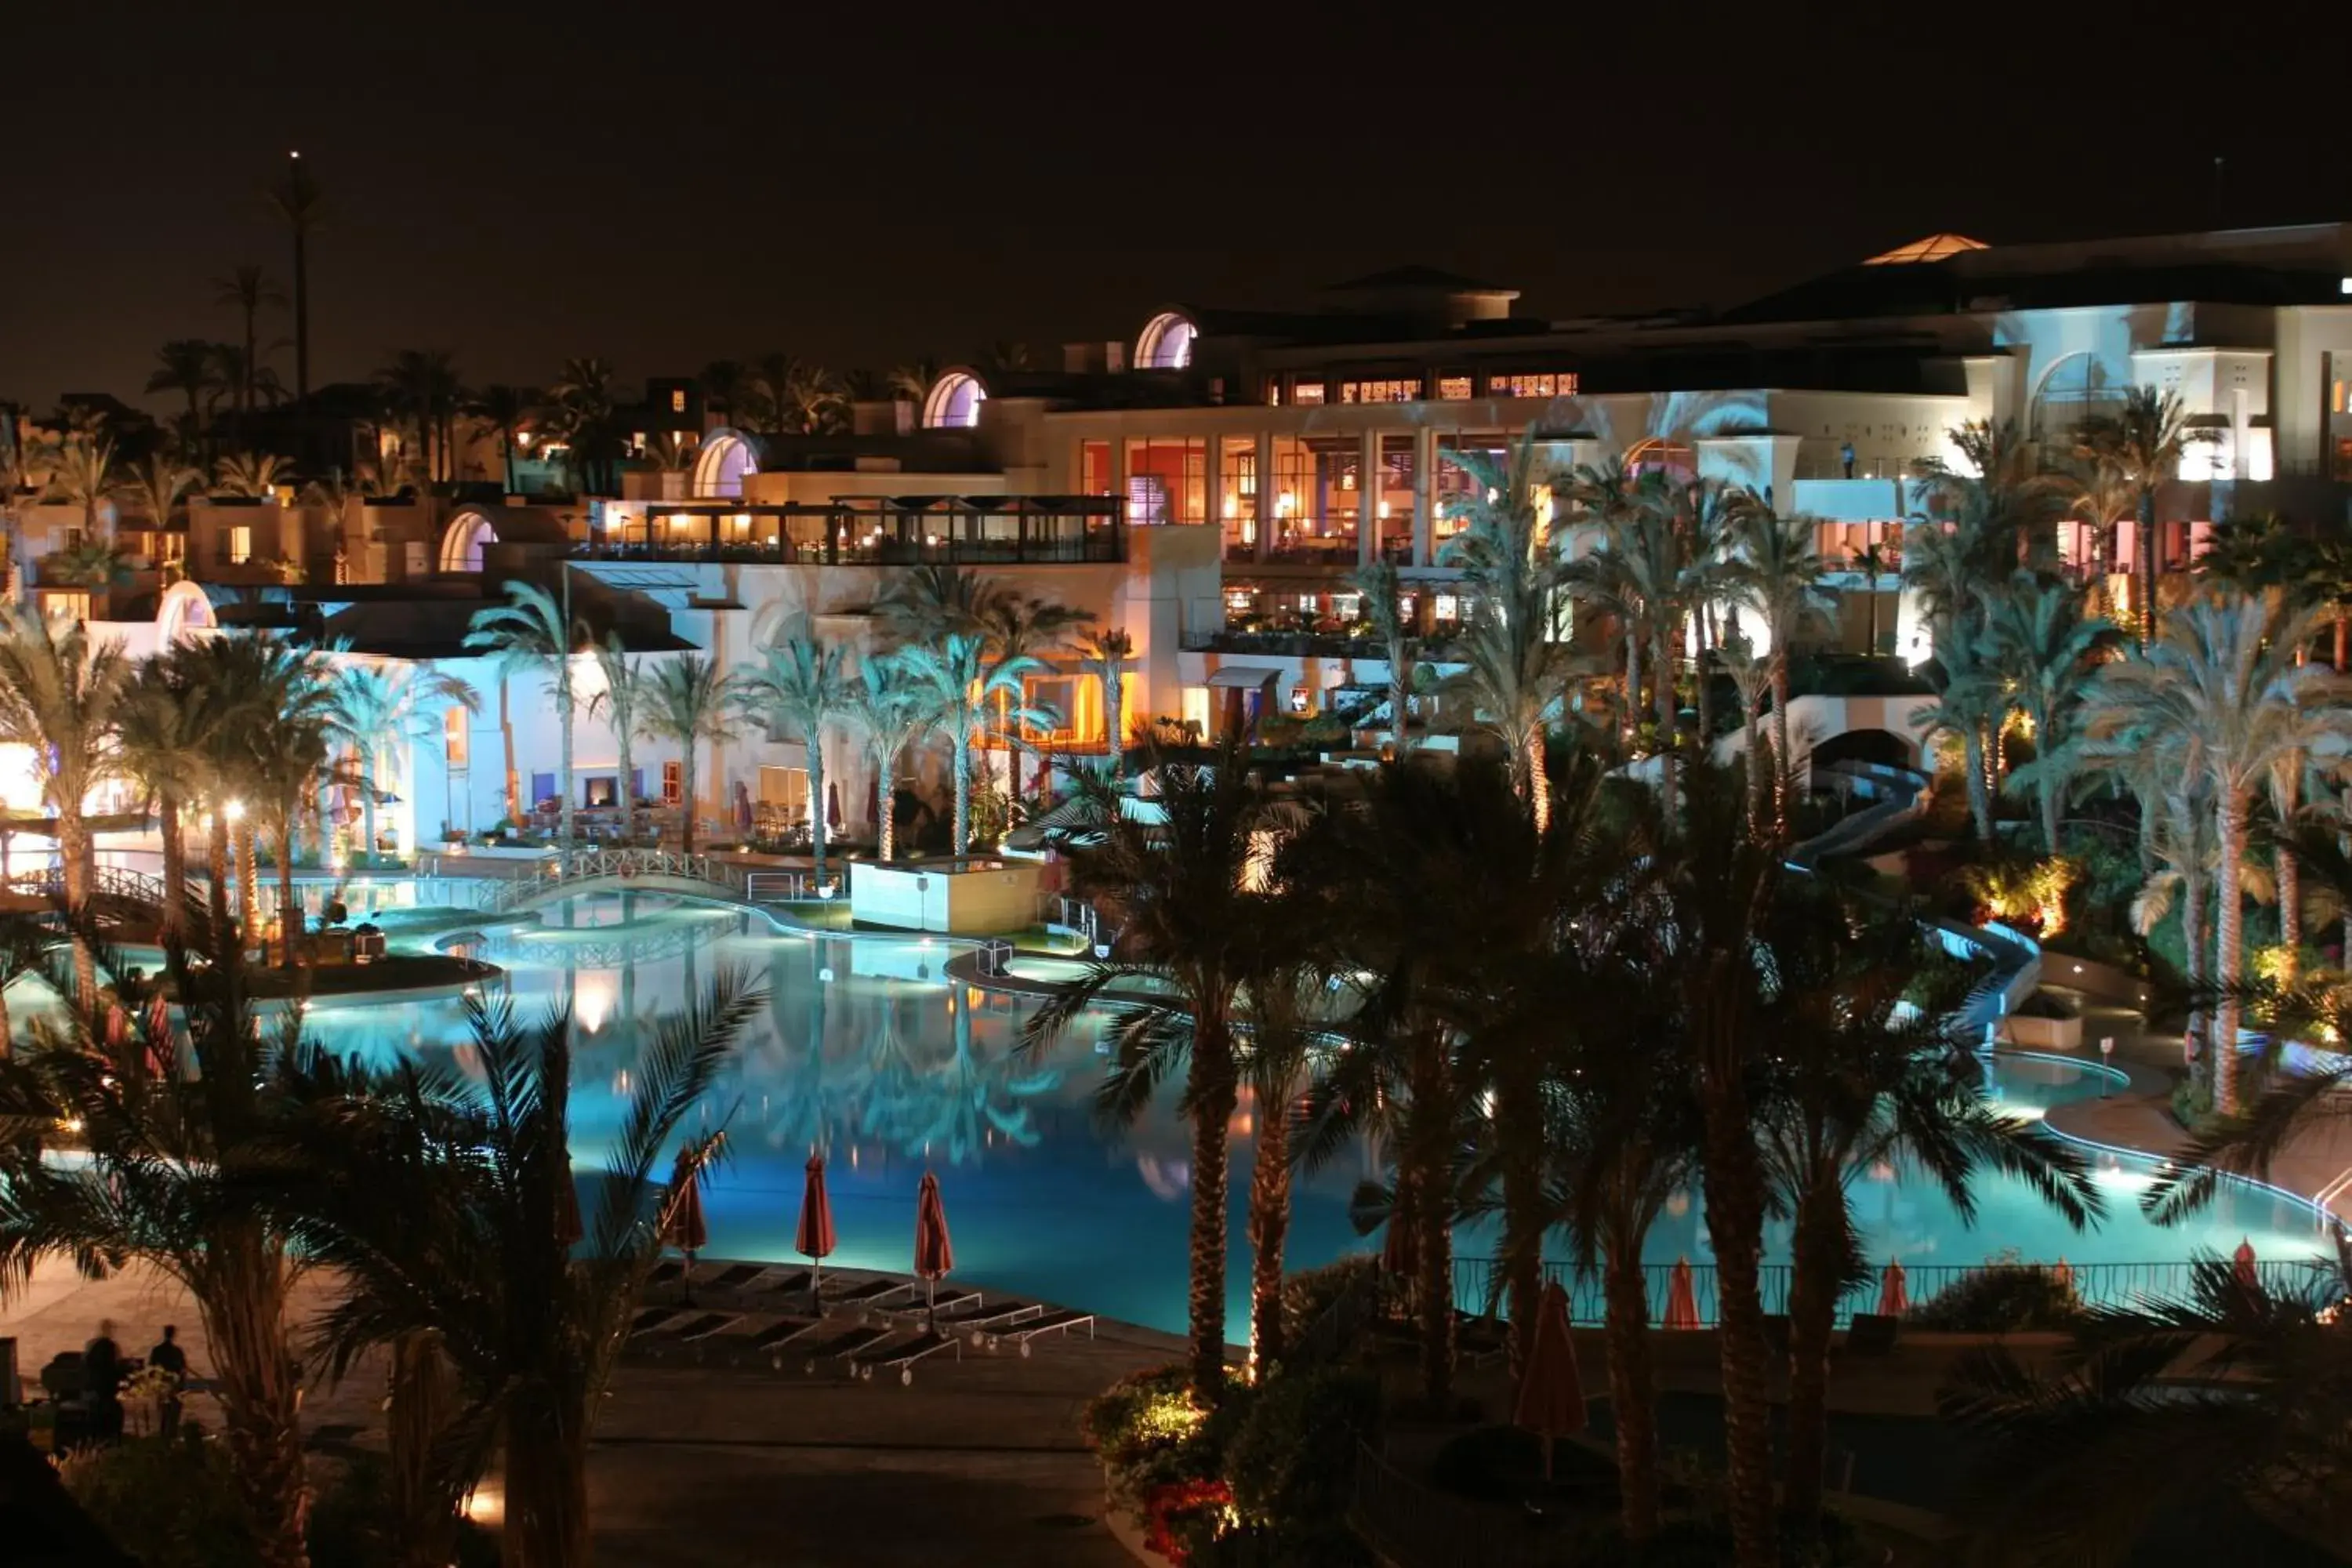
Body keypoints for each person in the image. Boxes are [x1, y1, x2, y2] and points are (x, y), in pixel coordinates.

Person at [82, 1319, 124, 1442]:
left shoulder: (91, 1345)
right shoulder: (111, 1346)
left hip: (93, 1389)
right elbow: (116, 1367)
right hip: (106, 1390)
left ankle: (94, 1439)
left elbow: (85, 1365)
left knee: (95, 1417)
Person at [147, 1326, 188, 1441]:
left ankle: (164, 1439)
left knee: (164, 1415)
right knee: (174, 1416)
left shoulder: (157, 1351)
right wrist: (182, 1386)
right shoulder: (177, 1352)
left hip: (162, 1387)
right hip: (175, 1388)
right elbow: (183, 1370)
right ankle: (171, 1439)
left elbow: (151, 1370)